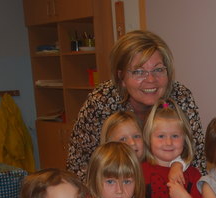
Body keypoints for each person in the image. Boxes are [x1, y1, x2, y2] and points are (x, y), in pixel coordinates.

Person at [67, 30, 206, 182]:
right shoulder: (101, 102)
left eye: (158, 69)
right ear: (121, 77)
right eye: (139, 71)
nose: (151, 79)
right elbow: (79, 165)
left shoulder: (180, 97)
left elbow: (196, 158)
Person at [142, 99, 205, 198]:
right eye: (161, 136)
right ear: (148, 138)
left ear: (185, 139)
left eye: (175, 136)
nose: (169, 142)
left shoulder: (193, 174)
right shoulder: (141, 172)